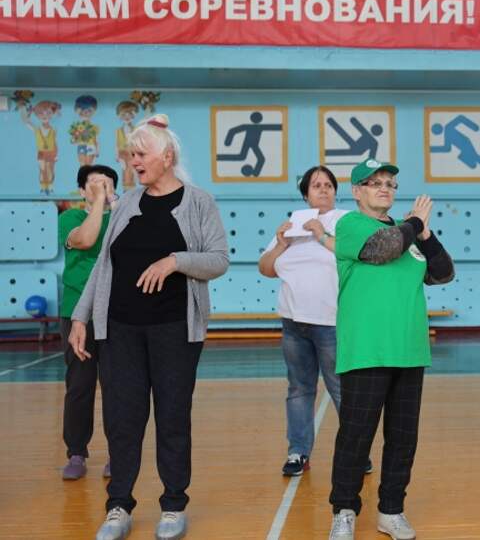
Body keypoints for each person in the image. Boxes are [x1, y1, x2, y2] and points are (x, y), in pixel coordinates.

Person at [69, 114, 229, 540]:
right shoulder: (125, 204)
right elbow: (103, 267)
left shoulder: (199, 202)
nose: (133, 161)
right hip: (119, 330)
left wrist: (175, 261)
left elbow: (218, 260)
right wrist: (80, 317)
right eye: (131, 155)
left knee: (172, 418)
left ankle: (173, 505)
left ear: (167, 157)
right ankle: (118, 505)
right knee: (122, 419)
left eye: (141, 154)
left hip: (174, 330)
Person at [329, 160, 454, 540]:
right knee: (356, 435)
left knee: (402, 438)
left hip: (409, 349)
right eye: (374, 183)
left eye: (390, 183)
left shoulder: (408, 232)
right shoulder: (351, 225)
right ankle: (344, 509)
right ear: (357, 192)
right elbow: (383, 249)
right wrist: (414, 224)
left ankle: (392, 510)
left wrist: (426, 235)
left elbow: (444, 273)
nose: (384, 188)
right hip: (367, 348)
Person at [259, 166, 363, 477]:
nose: (323, 189)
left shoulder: (345, 221)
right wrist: (281, 244)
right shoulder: (293, 224)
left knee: (342, 389)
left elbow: (356, 255)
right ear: (306, 194)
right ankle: (298, 452)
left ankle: (357, 453)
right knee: (299, 389)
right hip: (294, 323)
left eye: (328, 185)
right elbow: (266, 268)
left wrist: (322, 234)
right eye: (316, 185)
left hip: (331, 322)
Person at [58, 164, 119, 480]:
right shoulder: (70, 218)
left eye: (106, 184)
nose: (100, 189)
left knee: (117, 386)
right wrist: (98, 204)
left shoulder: (120, 217)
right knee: (80, 385)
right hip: (76, 312)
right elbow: (85, 240)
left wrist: (113, 204)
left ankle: (118, 453)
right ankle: (76, 452)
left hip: (115, 313)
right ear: (82, 191)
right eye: (93, 184)